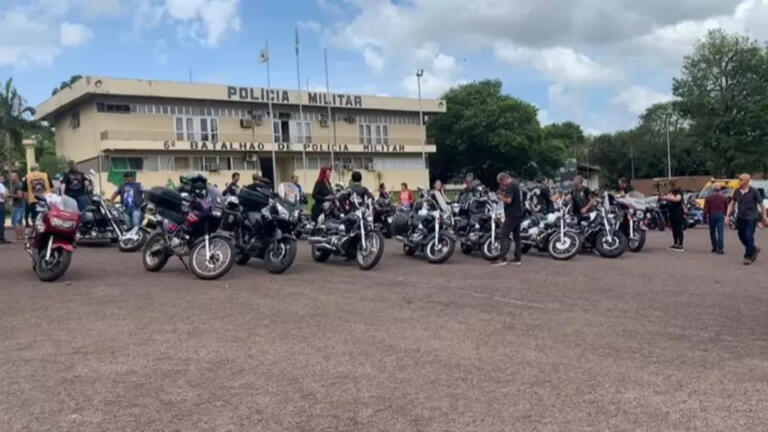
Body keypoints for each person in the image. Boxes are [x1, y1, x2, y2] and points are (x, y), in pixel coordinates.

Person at [726, 173, 768, 265]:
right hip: (741, 217)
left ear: (746, 181)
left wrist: (764, 217)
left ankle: (748, 256)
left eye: (740, 179)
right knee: (741, 235)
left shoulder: (754, 191)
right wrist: (727, 215)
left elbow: (761, 205)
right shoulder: (737, 191)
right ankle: (753, 248)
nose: (739, 181)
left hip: (752, 217)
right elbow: (732, 203)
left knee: (749, 235)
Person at [493, 172, 524, 266]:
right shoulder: (515, 185)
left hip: (512, 214)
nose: (502, 185)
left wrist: (500, 197)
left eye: (502, 183)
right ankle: (518, 258)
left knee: (503, 234)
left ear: (504, 179)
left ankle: (502, 258)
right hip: (518, 213)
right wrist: (503, 193)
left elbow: (509, 200)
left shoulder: (510, 186)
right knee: (517, 236)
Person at [704, 183, 728, 255]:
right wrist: (726, 214)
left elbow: (705, 209)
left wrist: (704, 217)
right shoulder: (723, 197)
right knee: (720, 232)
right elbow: (726, 206)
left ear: (712, 189)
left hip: (712, 215)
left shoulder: (708, 198)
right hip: (720, 215)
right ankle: (720, 248)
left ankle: (714, 246)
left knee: (712, 232)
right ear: (720, 189)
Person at [663, 181, 685, 252]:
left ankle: (681, 245)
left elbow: (677, 199)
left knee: (679, 229)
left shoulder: (679, 192)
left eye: (671, 186)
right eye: (670, 186)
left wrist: (668, 197)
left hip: (678, 213)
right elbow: (665, 198)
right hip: (672, 213)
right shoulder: (670, 192)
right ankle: (675, 243)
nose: (670, 187)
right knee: (674, 229)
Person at [9, 171, 25, 240]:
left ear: (17, 176)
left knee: (15, 222)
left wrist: (9, 195)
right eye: (11, 176)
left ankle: (19, 236)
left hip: (18, 206)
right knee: (19, 222)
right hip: (19, 205)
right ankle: (20, 236)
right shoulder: (15, 184)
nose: (11, 178)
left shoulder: (18, 185)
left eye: (13, 176)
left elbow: (20, 196)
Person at [0, 173, 8, 244]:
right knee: (1, 221)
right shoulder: (1, 185)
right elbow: (2, 195)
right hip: (0, 203)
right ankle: (1, 238)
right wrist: (6, 197)